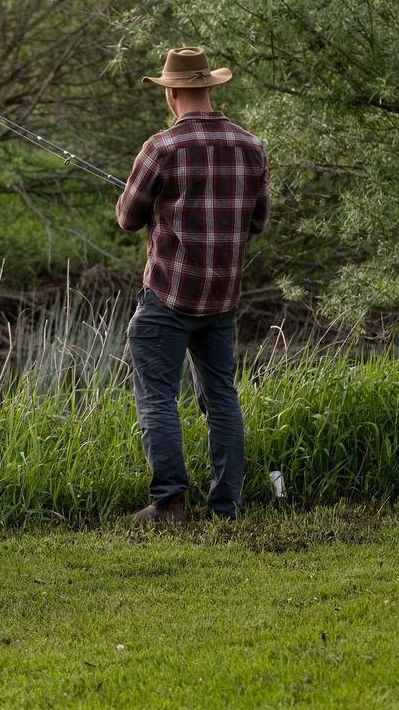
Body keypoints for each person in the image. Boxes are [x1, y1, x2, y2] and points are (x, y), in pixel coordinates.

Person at [116, 47, 269, 522]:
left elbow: (126, 218)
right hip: (222, 297)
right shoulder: (251, 146)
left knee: (157, 395)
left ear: (172, 92)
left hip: (168, 294)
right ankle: (227, 504)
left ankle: (169, 502)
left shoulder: (160, 148)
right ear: (209, 88)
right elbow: (258, 221)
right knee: (222, 396)